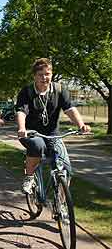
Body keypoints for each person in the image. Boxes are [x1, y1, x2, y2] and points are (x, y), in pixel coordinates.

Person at [16, 57, 91, 194]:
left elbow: (70, 109)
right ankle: (29, 177)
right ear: (34, 76)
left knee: (66, 169)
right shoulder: (27, 92)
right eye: (40, 74)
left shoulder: (59, 90)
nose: (44, 77)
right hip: (30, 132)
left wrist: (81, 125)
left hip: (53, 134)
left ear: (52, 74)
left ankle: (61, 206)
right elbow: (21, 111)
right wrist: (22, 128)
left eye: (47, 74)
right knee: (38, 145)